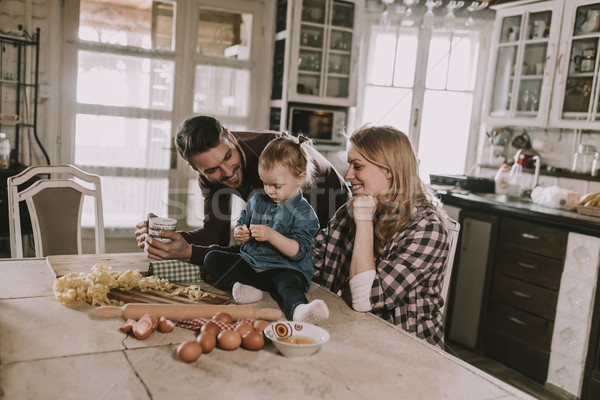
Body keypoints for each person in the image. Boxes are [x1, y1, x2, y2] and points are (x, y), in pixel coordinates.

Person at [135, 115, 350, 265]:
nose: (228, 172)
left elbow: (264, 250)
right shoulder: (208, 178)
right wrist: (166, 238)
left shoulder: (272, 158)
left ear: (230, 136)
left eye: (228, 156)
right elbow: (216, 235)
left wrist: (188, 253)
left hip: (340, 225)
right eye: (212, 170)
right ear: (196, 169)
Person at [312, 125, 449, 348]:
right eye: (349, 165)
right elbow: (311, 260)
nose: (348, 176)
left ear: (389, 170)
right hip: (353, 334)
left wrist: (364, 222)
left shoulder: (427, 229)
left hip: (408, 352)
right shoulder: (352, 210)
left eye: (358, 166)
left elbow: (364, 298)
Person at [203, 136, 328, 323]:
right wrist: (240, 231)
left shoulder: (304, 212)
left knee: (290, 285)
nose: (269, 190)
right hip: (252, 265)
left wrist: (271, 236)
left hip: (284, 269)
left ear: (299, 178)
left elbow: (298, 251)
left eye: (276, 186)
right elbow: (243, 221)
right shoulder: (257, 199)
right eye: (265, 183)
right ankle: (247, 290)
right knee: (212, 258)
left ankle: (299, 310)